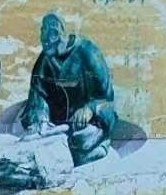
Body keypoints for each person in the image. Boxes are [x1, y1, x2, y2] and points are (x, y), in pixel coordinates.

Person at [21, 11, 117, 167]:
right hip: (56, 128)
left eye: (53, 32)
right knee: (33, 140)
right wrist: (39, 117)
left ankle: (96, 148)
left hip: (86, 125)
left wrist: (90, 109)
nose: (46, 38)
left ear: (64, 33)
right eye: (44, 31)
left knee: (81, 139)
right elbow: (37, 96)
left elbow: (107, 99)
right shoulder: (45, 60)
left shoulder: (89, 53)